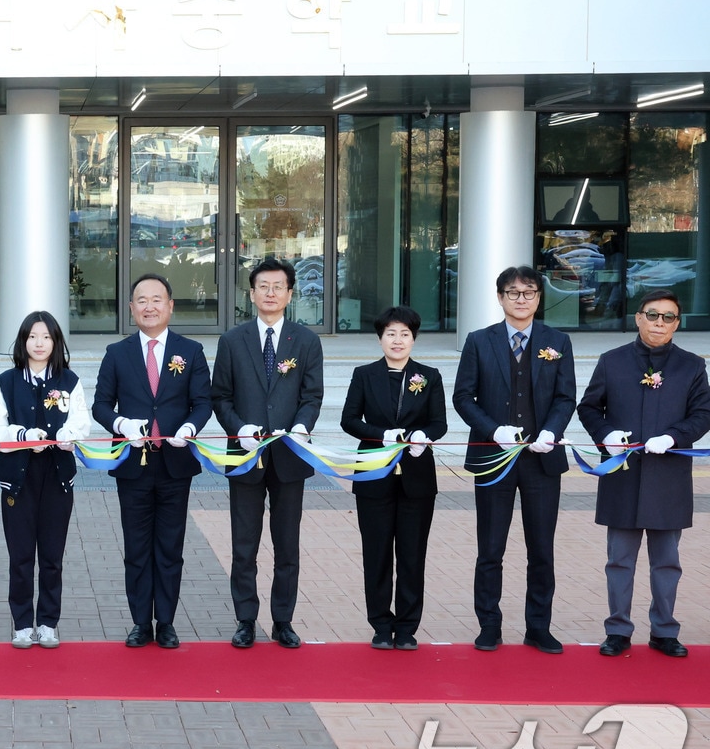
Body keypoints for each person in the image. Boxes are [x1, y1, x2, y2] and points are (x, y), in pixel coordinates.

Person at [576, 289, 710, 658]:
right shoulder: (612, 361)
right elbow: (588, 408)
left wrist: (674, 436)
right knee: (619, 560)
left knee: (667, 561)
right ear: (638, 318)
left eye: (669, 317)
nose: (660, 323)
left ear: (677, 324)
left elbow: (703, 414)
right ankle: (618, 629)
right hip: (623, 475)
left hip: (669, 478)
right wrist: (607, 436)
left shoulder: (692, 365)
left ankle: (664, 630)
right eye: (653, 315)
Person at [453, 265, 576, 654]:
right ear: (500, 297)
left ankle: (538, 627)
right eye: (513, 292)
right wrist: (493, 431)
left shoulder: (558, 341)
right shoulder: (478, 341)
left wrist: (551, 432)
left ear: (539, 297)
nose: (520, 299)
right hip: (494, 458)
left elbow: (565, 397)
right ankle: (489, 624)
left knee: (541, 548)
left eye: (529, 292)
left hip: (542, 459)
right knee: (491, 547)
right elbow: (463, 397)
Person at [92, 274, 212, 649]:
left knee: (170, 546)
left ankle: (167, 622)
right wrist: (120, 423)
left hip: (175, 462)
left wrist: (191, 427)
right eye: (141, 300)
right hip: (133, 464)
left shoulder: (190, 351)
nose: (149, 306)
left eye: (156, 299)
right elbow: (100, 404)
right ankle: (140, 622)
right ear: (131, 308)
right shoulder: (117, 353)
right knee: (137, 546)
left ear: (171, 306)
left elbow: (203, 402)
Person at [210, 258, 324, 650]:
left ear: (290, 294)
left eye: (278, 287)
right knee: (244, 544)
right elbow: (220, 396)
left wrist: (301, 427)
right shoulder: (232, 340)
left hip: (289, 457)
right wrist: (238, 427)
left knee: (286, 544)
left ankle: (283, 620)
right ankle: (245, 619)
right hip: (245, 454)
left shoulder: (306, 341)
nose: (271, 293)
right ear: (252, 292)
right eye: (263, 286)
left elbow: (312, 395)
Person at [339, 306, 448, 650]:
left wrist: (422, 437)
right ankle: (381, 625)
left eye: (404, 334)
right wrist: (380, 435)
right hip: (374, 474)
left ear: (414, 338)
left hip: (417, 477)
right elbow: (349, 419)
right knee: (377, 552)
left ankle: (407, 628)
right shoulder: (364, 374)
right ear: (380, 338)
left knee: (413, 554)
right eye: (391, 334)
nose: (397, 340)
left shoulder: (429, 375)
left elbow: (439, 423)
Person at [0, 311, 91, 649]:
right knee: (20, 555)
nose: (39, 343)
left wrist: (66, 434)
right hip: (18, 478)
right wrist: (22, 433)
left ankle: (47, 623)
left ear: (56, 341)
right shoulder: (4, 382)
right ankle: (20, 624)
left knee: (52, 556)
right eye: (32, 336)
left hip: (57, 477)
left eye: (46, 336)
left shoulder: (69, 381)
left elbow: (82, 423)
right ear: (23, 341)